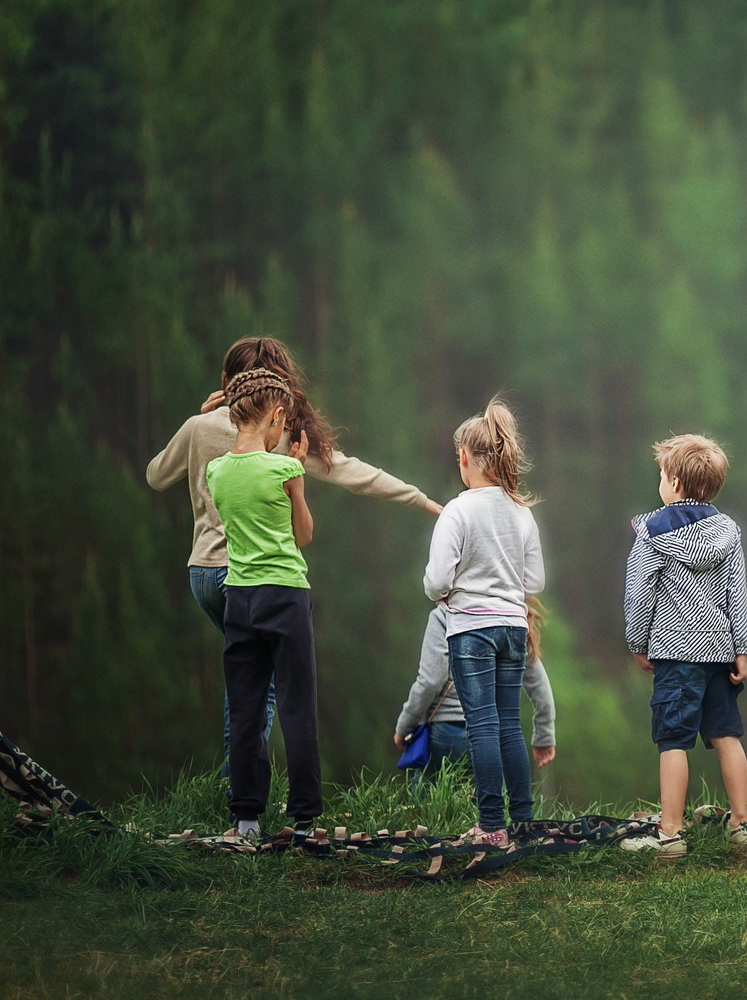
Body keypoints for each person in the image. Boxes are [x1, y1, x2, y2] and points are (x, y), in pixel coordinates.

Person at [147, 336, 440, 772]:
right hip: (252, 577)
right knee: (260, 685)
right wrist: (427, 502)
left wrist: (199, 422)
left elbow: (155, 476)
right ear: (277, 394)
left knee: (245, 674)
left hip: (202, 576)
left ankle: (234, 788)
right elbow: (357, 475)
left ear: (226, 383)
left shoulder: (198, 428)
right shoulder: (282, 439)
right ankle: (239, 783)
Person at [618, 434, 747, 860]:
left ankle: (671, 832)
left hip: (675, 655)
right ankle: (741, 823)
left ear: (675, 483)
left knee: (673, 739)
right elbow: (737, 592)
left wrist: (638, 641)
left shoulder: (651, 534)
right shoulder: (728, 532)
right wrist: (742, 648)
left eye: (662, 474)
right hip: (718, 652)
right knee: (727, 734)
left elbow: (639, 593)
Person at [423, 399, 544, 850]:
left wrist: (449, 591)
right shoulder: (521, 512)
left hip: (471, 630)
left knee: (483, 726)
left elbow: (436, 581)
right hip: (513, 627)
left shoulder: (458, 511)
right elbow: (535, 580)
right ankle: (524, 821)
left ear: (464, 459)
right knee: (510, 723)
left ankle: (491, 825)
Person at [206, 368, 319, 842]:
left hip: (240, 597)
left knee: (246, 708)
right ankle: (306, 816)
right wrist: (298, 479)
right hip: (285, 595)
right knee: (296, 703)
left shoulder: (216, 470)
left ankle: (247, 819)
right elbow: (304, 535)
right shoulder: (286, 469)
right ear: (277, 416)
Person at [394, 597, 557, 792]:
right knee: (490, 813)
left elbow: (430, 681)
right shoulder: (511, 619)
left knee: (427, 811)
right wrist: (544, 735)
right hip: (491, 736)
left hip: (445, 732)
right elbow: (540, 687)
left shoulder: (444, 615)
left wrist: (405, 725)